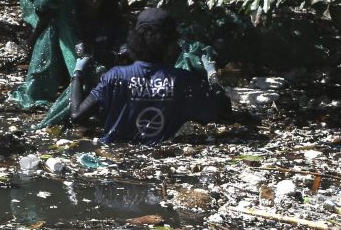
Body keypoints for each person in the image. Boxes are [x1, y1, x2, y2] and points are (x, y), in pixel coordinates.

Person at [69, 7, 241, 145]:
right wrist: (211, 75)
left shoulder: (115, 76)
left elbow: (77, 115)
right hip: (160, 157)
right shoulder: (183, 80)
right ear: (169, 43)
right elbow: (221, 109)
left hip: (114, 157)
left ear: (135, 40)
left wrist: (77, 74)